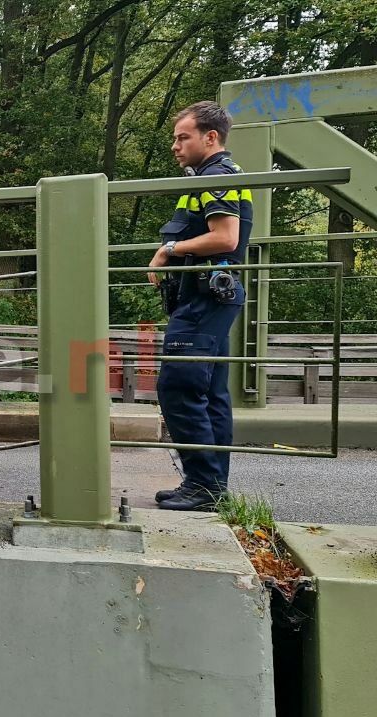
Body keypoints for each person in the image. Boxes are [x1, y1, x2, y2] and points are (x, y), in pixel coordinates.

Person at [149, 101, 252, 511]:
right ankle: (207, 484)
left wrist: (168, 249)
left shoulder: (216, 178)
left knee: (178, 386)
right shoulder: (217, 176)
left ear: (210, 138)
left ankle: (203, 486)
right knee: (209, 392)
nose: (175, 146)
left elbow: (225, 238)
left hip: (205, 297)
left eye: (182, 137)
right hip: (208, 295)